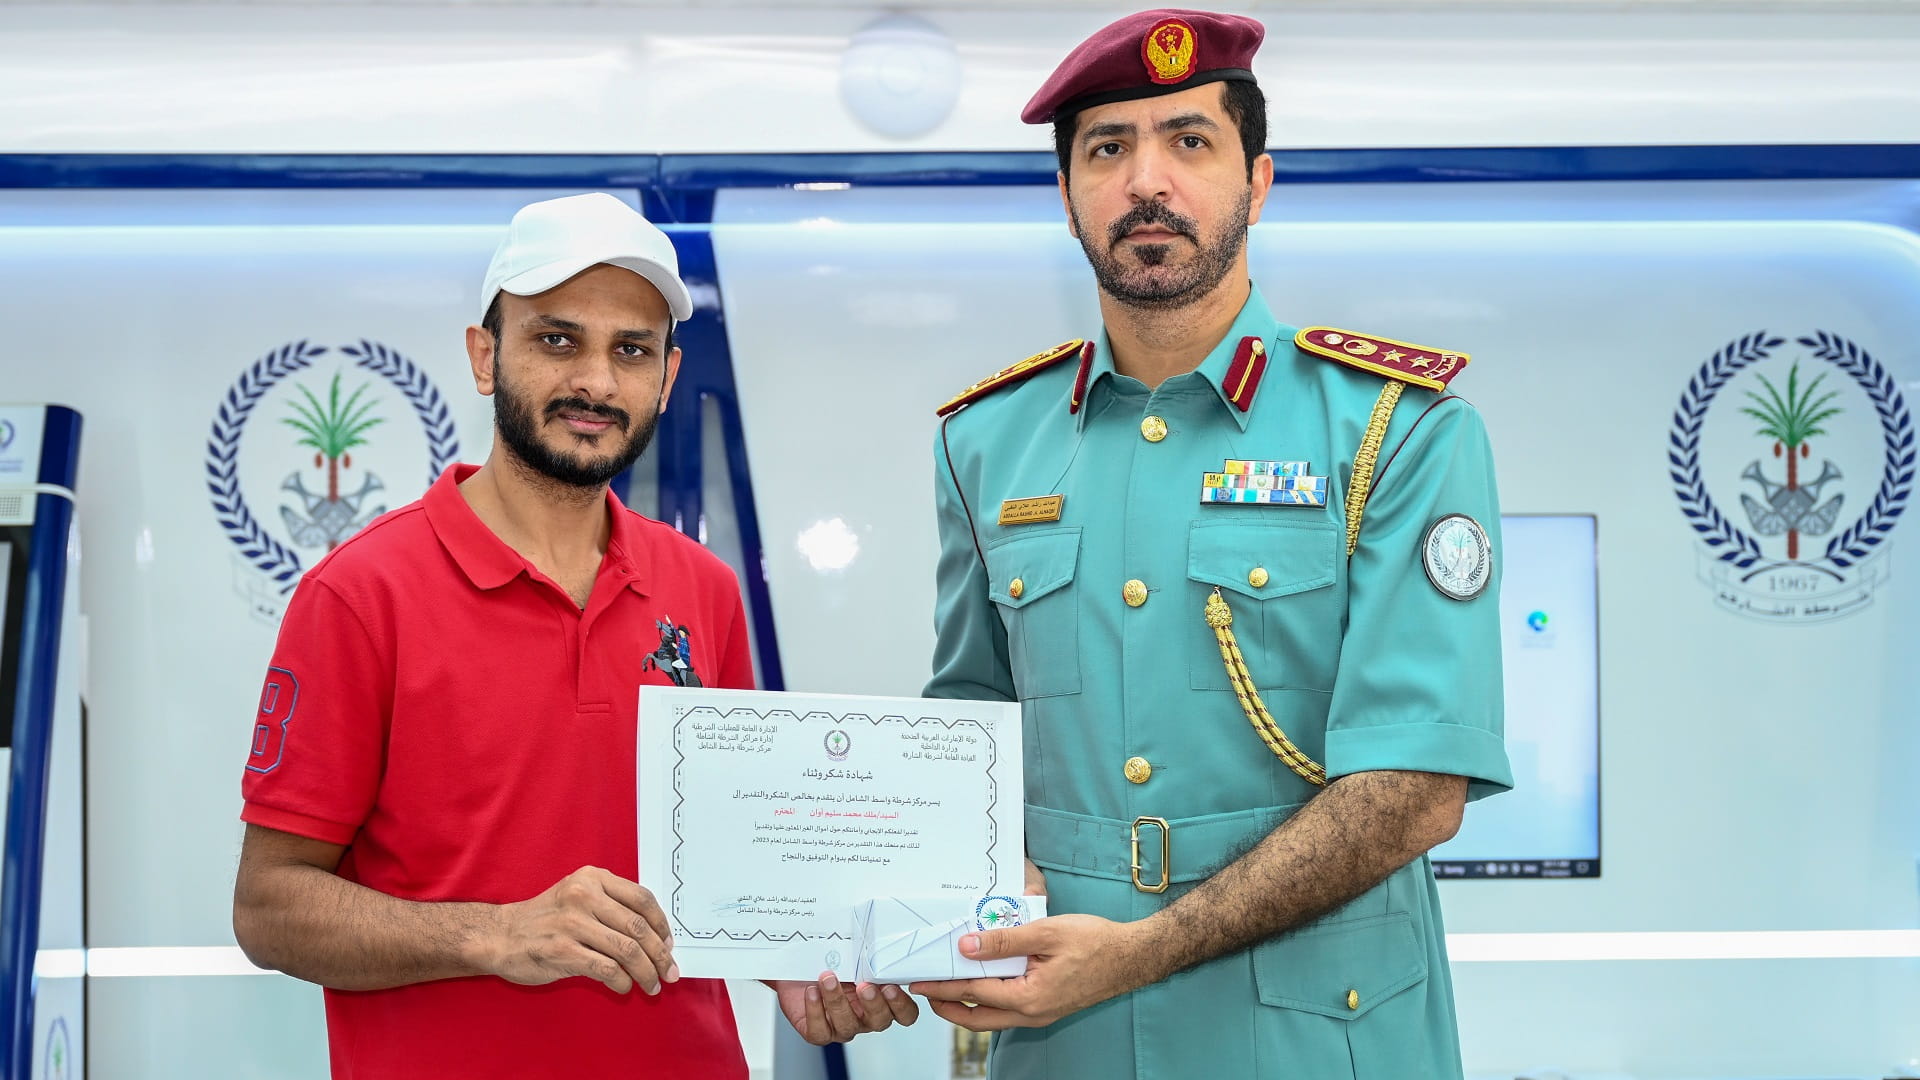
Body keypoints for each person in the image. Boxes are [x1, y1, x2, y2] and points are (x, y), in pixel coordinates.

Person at [913, 10, 1511, 1079]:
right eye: (1108, 148)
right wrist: (911, 903)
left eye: (1189, 141)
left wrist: (1135, 954)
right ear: (1066, 196)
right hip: (1066, 1045)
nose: (1147, 181)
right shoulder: (986, 443)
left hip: (1319, 1040)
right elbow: (968, 733)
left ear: (1257, 182)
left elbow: (1415, 790)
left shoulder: (1396, 429)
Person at [231, 192, 917, 1078]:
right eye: (558, 340)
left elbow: (734, 868)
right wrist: (497, 934)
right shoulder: (360, 595)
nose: (596, 382)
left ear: (665, 378)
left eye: (631, 350)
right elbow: (269, 908)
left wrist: (798, 965)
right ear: (485, 356)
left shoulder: (703, 591)